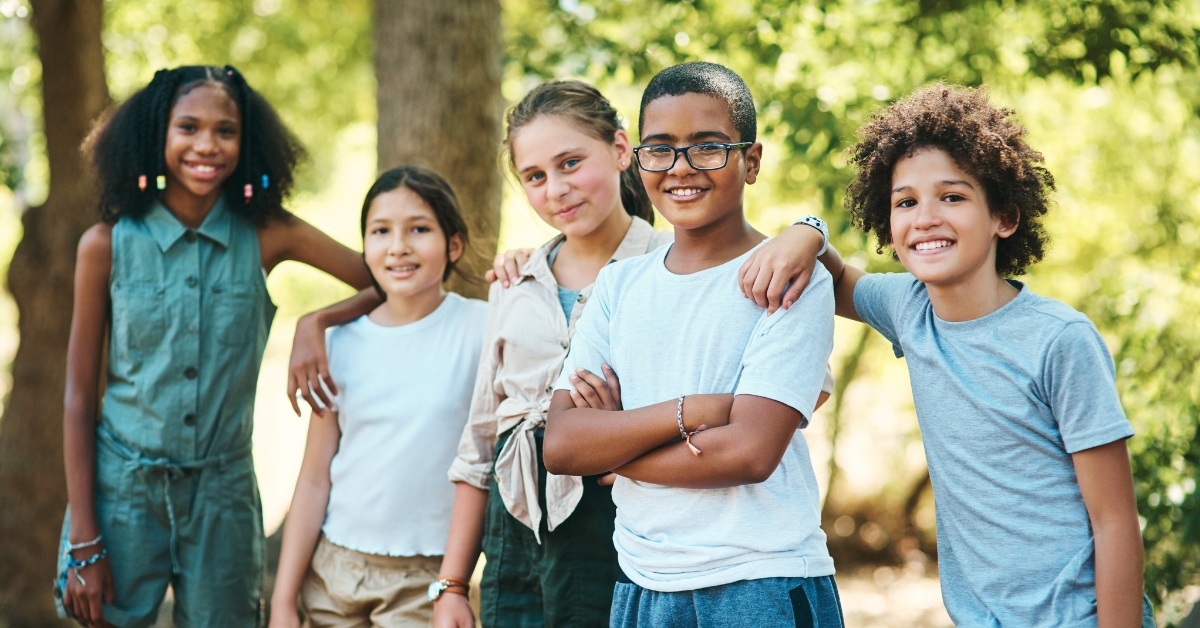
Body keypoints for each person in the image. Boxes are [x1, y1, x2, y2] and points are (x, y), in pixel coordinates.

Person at [740, 83, 1154, 627]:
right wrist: (807, 230)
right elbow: (833, 276)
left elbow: (1116, 522)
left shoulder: (1059, 340)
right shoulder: (909, 309)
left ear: (1004, 218)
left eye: (952, 197)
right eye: (906, 202)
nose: (926, 217)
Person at [60, 65, 374, 628]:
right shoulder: (105, 246)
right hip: (121, 494)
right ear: (156, 137)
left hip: (223, 494)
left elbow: (384, 282)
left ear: (245, 142)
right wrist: (85, 538)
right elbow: (80, 398)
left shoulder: (269, 234)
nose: (207, 145)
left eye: (225, 131)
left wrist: (316, 321)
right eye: (188, 127)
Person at [543, 62, 843, 628]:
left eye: (708, 147)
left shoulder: (789, 279)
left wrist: (618, 455)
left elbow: (749, 454)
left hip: (760, 582)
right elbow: (562, 445)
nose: (681, 169)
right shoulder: (620, 285)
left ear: (751, 162)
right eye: (661, 149)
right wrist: (694, 412)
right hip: (641, 581)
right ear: (638, 159)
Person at [268, 166, 489, 628]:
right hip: (332, 575)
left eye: (419, 230)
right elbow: (313, 478)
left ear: (454, 244)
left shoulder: (482, 329)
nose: (398, 246)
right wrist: (283, 601)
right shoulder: (339, 343)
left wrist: (455, 583)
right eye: (381, 231)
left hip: (427, 579)